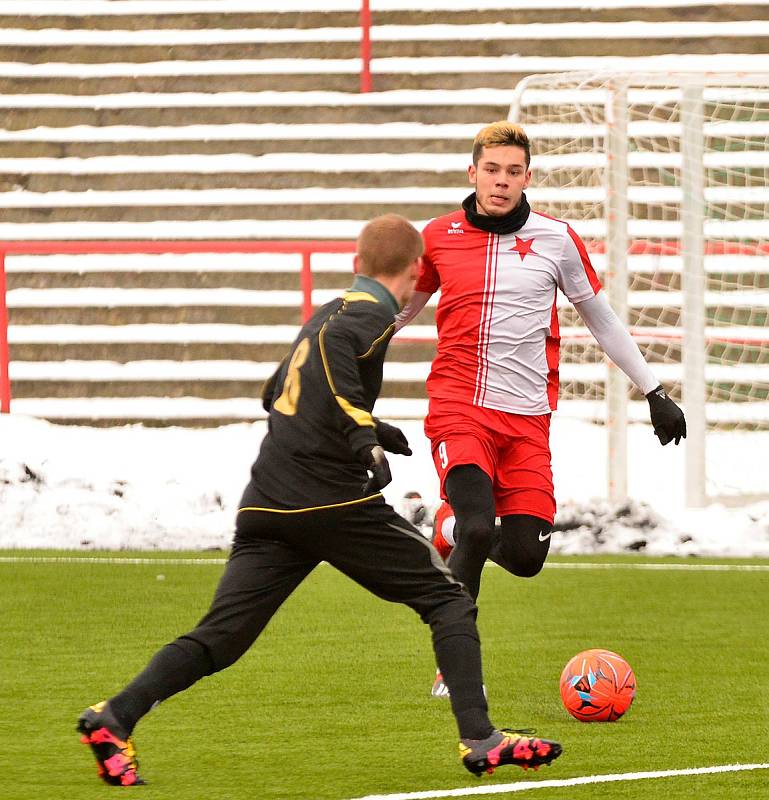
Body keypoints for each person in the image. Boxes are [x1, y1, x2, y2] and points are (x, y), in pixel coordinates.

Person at [76, 214, 562, 787]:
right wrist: (362, 434)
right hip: (328, 502)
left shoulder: (325, 312)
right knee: (449, 597)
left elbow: (275, 391)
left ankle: (115, 718)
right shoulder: (369, 316)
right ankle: (481, 739)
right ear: (414, 270)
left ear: (357, 263)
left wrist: (369, 425)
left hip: (267, 502)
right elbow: (335, 371)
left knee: (220, 639)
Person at [395, 122, 687, 697]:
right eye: (491, 169)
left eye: (513, 171)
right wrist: (337, 353)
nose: (501, 182)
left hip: (528, 419)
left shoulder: (556, 238)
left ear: (527, 177)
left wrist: (653, 390)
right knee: (481, 529)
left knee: (526, 556)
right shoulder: (439, 237)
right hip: (461, 407)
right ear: (471, 172)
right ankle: (453, 665)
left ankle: (448, 528)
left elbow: (599, 317)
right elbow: (397, 314)